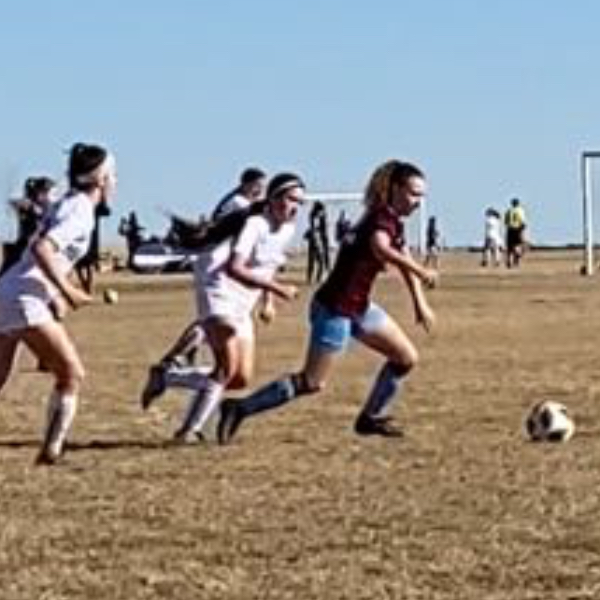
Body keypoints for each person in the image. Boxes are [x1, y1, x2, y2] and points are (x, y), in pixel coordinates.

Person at [217, 159, 437, 445]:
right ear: (395, 188)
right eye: (413, 193)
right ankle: (239, 408)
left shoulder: (392, 220)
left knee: (405, 358)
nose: (418, 202)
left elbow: (403, 261)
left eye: (422, 196)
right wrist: (422, 270)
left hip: (359, 307)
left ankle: (370, 417)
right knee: (312, 382)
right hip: (335, 309)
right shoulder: (380, 217)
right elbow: (381, 247)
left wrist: (420, 304)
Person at [141, 172, 305, 443]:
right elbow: (234, 268)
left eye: (300, 201)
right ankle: (188, 431)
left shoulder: (287, 230)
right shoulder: (254, 223)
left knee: (239, 379)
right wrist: (279, 289)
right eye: (290, 199)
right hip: (218, 288)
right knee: (225, 368)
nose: (295, 206)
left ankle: (166, 376)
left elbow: (269, 265)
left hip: (243, 301)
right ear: (274, 198)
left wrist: (268, 301)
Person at [0, 143, 117, 465]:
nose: (116, 183)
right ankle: (51, 451)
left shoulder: (69, 203)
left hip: (10, 290)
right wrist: (66, 289)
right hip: (24, 296)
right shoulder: (80, 210)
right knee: (71, 374)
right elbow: (41, 248)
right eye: (114, 175)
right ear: (102, 178)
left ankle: (50, 450)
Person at [147, 167, 268, 370]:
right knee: (215, 320)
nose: (260, 191)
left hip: (217, 262)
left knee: (215, 319)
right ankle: (176, 356)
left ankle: (183, 354)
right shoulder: (239, 204)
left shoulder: (236, 200)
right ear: (246, 184)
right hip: (217, 264)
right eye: (258, 186)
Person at [1, 176, 56, 276]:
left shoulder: (49, 207)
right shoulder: (29, 205)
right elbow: (16, 203)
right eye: (43, 192)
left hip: (38, 245)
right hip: (24, 244)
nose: (44, 196)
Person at [304, 201, 328, 284]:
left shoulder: (312, 216)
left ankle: (310, 279)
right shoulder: (317, 218)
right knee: (320, 262)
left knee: (311, 262)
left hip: (313, 241)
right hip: (316, 240)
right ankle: (317, 279)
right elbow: (316, 229)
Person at [504, 198, 527, 268]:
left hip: (510, 229)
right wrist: (523, 230)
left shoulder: (508, 211)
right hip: (518, 229)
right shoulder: (520, 210)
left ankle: (509, 261)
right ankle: (516, 261)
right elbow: (523, 221)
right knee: (518, 245)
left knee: (509, 247)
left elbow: (505, 221)